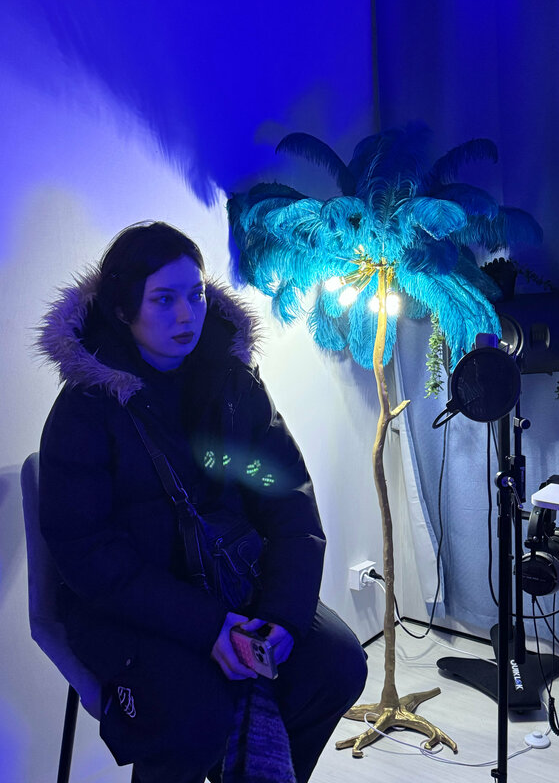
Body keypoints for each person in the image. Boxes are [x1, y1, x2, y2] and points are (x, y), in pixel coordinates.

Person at [37, 221, 367, 783]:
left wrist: (282, 617)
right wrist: (209, 626)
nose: (187, 315)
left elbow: (289, 502)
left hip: (235, 582)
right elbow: (87, 553)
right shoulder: (86, 409)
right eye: (164, 300)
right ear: (123, 309)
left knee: (334, 664)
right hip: (131, 607)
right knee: (195, 719)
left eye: (195, 294)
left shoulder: (234, 383)